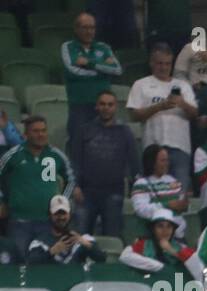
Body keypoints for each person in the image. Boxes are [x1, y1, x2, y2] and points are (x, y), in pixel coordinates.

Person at [0, 117, 76, 262]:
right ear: (26, 134)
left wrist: (62, 201)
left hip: (48, 222)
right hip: (19, 222)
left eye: (43, 131)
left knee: (46, 261)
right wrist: (2, 200)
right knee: (19, 262)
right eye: (36, 131)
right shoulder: (13, 154)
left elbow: (71, 179)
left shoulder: (56, 155)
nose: (41, 135)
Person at [127, 44, 200, 195]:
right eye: (160, 63)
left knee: (179, 194)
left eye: (167, 63)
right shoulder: (141, 84)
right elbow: (134, 115)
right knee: (153, 195)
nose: (164, 67)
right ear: (151, 63)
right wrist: (160, 106)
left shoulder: (183, 86)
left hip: (180, 147)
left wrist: (182, 103)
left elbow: (195, 114)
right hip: (153, 147)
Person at [72, 91, 139, 239]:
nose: (106, 108)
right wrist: (75, 185)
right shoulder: (84, 130)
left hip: (114, 192)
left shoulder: (125, 132)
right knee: (80, 239)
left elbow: (134, 162)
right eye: (102, 104)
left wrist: (139, 187)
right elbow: (75, 161)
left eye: (110, 104)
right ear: (96, 106)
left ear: (115, 107)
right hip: (86, 193)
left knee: (112, 238)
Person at [62, 11, 122, 156]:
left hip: (103, 107)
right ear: (76, 29)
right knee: (78, 150)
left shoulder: (104, 47)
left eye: (92, 27)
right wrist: (103, 70)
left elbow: (117, 70)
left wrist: (89, 63)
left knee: (105, 149)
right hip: (79, 107)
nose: (89, 31)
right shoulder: (68, 47)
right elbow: (73, 71)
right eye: (85, 27)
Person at [120, 209, 204, 280]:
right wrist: (159, 267)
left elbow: (199, 269)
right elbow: (124, 256)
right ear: (153, 229)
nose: (165, 230)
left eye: (169, 227)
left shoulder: (180, 247)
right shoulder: (143, 244)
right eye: (160, 226)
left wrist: (173, 252)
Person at [27, 195, 107, 266]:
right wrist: (51, 252)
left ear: (69, 215)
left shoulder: (83, 238)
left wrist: (84, 243)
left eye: (64, 213)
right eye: (57, 214)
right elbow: (31, 264)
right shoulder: (40, 242)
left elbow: (102, 258)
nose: (61, 217)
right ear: (50, 215)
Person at [131, 144, 190, 239]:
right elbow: (141, 210)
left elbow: (181, 205)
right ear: (152, 162)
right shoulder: (141, 184)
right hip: (152, 237)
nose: (167, 163)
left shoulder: (172, 181)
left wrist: (184, 205)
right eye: (163, 160)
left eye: (167, 160)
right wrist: (167, 205)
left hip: (178, 235)